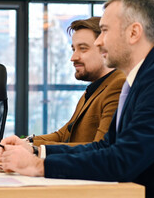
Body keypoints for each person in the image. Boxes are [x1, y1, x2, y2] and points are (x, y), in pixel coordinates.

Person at [0, 0, 154, 198]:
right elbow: (106, 146)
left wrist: (39, 166)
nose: (99, 42)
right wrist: (35, 152)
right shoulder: (141, 78)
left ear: (134, 33)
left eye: (105, 31)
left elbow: (123, 160)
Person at [30, 17, 125, 146]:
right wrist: (26, 143)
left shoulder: (119, 86)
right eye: (74, 49)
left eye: (83, 48)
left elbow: (101, 147)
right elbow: (63, 135)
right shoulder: (93, 89)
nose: (73, 57)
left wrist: (35, 150)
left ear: (106, 50)